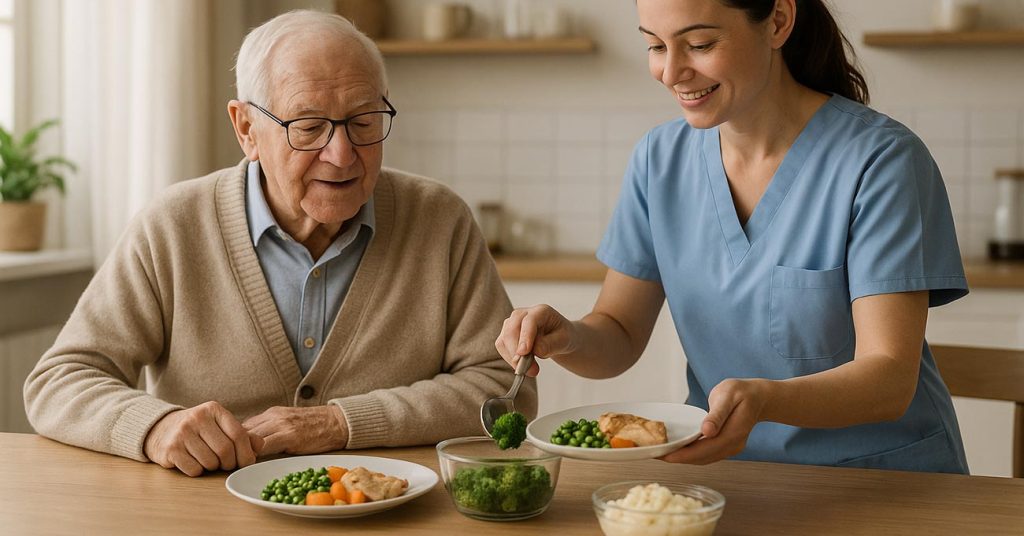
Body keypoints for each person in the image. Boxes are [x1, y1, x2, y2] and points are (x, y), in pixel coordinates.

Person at [24, 10, 535, 477]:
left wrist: (339, 423)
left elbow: (505, 390)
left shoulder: (439, 220)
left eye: (364, 122)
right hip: (205, 519)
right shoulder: (173, 226)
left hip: (392, 514)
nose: (342, 154)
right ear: (246, 128)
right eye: (308, 127)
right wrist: (154, 427)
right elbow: (60, 381)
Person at [495, 0, 969, 473]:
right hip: (728, 480)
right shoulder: (659, 161)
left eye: (700, 44)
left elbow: (888, 379)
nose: (671, 71)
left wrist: (765, 400)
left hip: (884, 483)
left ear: (778, 21)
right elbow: (618, 332)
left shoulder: (881, 162)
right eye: (656, 46)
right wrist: (568, 338)